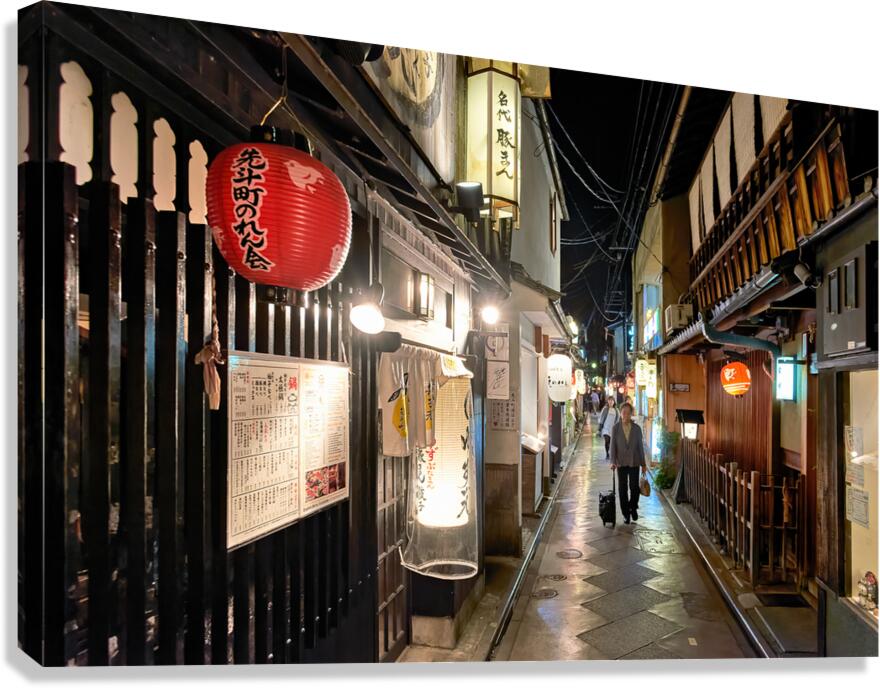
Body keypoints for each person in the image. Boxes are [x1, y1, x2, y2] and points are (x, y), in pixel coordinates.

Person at [609, 402, 647, 524]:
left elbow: (640, 447)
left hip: (634, 461)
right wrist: (612, 461)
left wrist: (644, 464)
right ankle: (626, 513)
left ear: (631, 414)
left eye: (628, 413)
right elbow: (612, 446)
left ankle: (633, 507)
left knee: (635, 488)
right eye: (623, 412)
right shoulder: (615, 428)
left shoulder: (637, 429)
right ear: (620, 413)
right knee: (622, 488)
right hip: (620, 462)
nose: (626, 415)